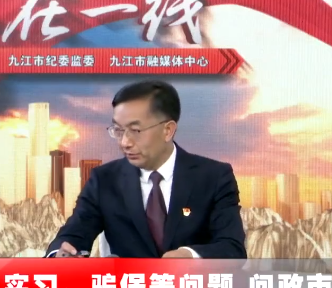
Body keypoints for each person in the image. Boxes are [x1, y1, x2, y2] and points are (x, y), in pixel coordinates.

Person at [46, 80, 246, 259]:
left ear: (167, 130)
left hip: (192, 287)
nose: (125, 142)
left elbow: (232, 248)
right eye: (118, 130)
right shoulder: (104, 179)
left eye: (135, 130)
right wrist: (60, 256)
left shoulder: (214, 177)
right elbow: (72, 235)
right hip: (130, 287)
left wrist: (191, 256)